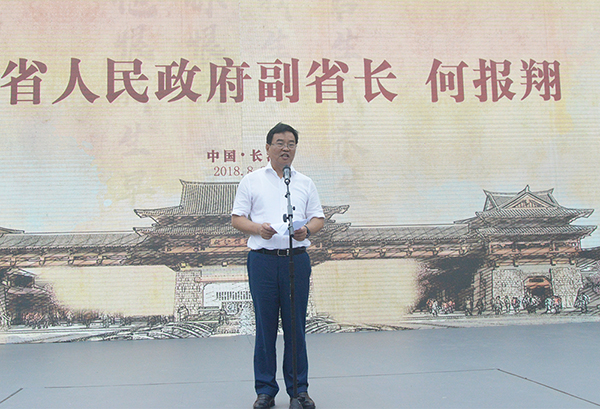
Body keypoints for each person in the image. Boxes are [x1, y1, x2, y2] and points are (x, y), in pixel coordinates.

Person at [232, 123, 325, 409]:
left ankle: (299, 390)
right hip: (263, 261)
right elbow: (237, 218)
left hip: (296, 260)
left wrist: (307, 230)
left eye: (291, 144)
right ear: (268, 147)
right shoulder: (251, 181)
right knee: (266, 327)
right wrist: (258, 228)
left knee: (296, 327)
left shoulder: (304, 182)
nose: (286, 148)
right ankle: (265, 391)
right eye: (280, 143)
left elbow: (318, 218)